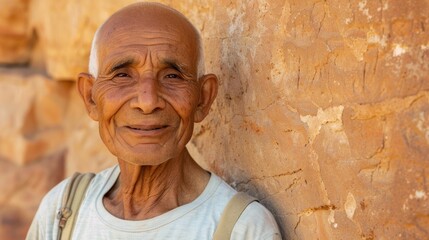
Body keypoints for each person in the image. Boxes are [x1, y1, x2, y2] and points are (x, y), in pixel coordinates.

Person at [26, 2, 281, 239]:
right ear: (90, 98)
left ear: (202, 99)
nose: (147, 102)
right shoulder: (63, 209)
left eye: (172, 76)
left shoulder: (241, 228)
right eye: (122, 75)